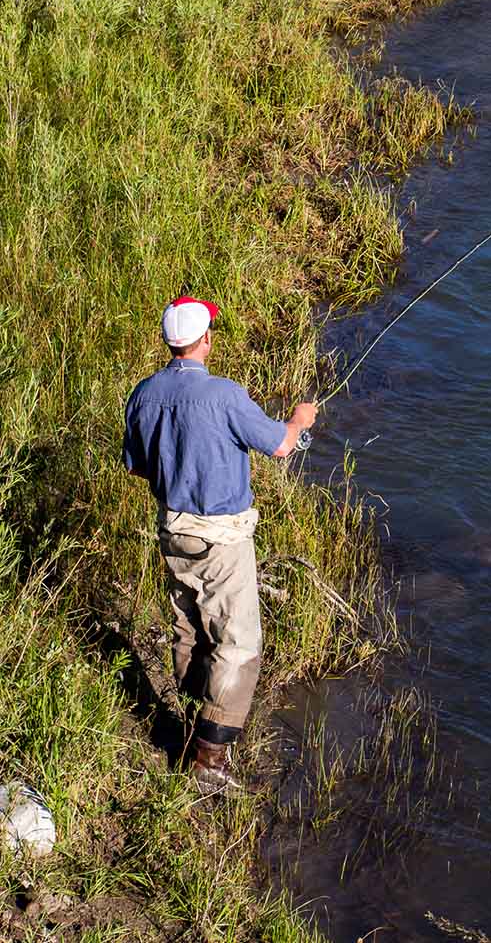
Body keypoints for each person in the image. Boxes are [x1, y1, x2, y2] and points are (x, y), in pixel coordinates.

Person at [123, 296, 317, 792]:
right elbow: (278, 445)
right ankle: (209, 759)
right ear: (204, 339)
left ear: (169, 342)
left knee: (190, 632)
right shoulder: (225, 395)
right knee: (239, 645)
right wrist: (299, 419)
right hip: (222, 540)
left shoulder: (142, 396)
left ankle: (190, 728)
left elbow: (139, 465)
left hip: (172, 530)